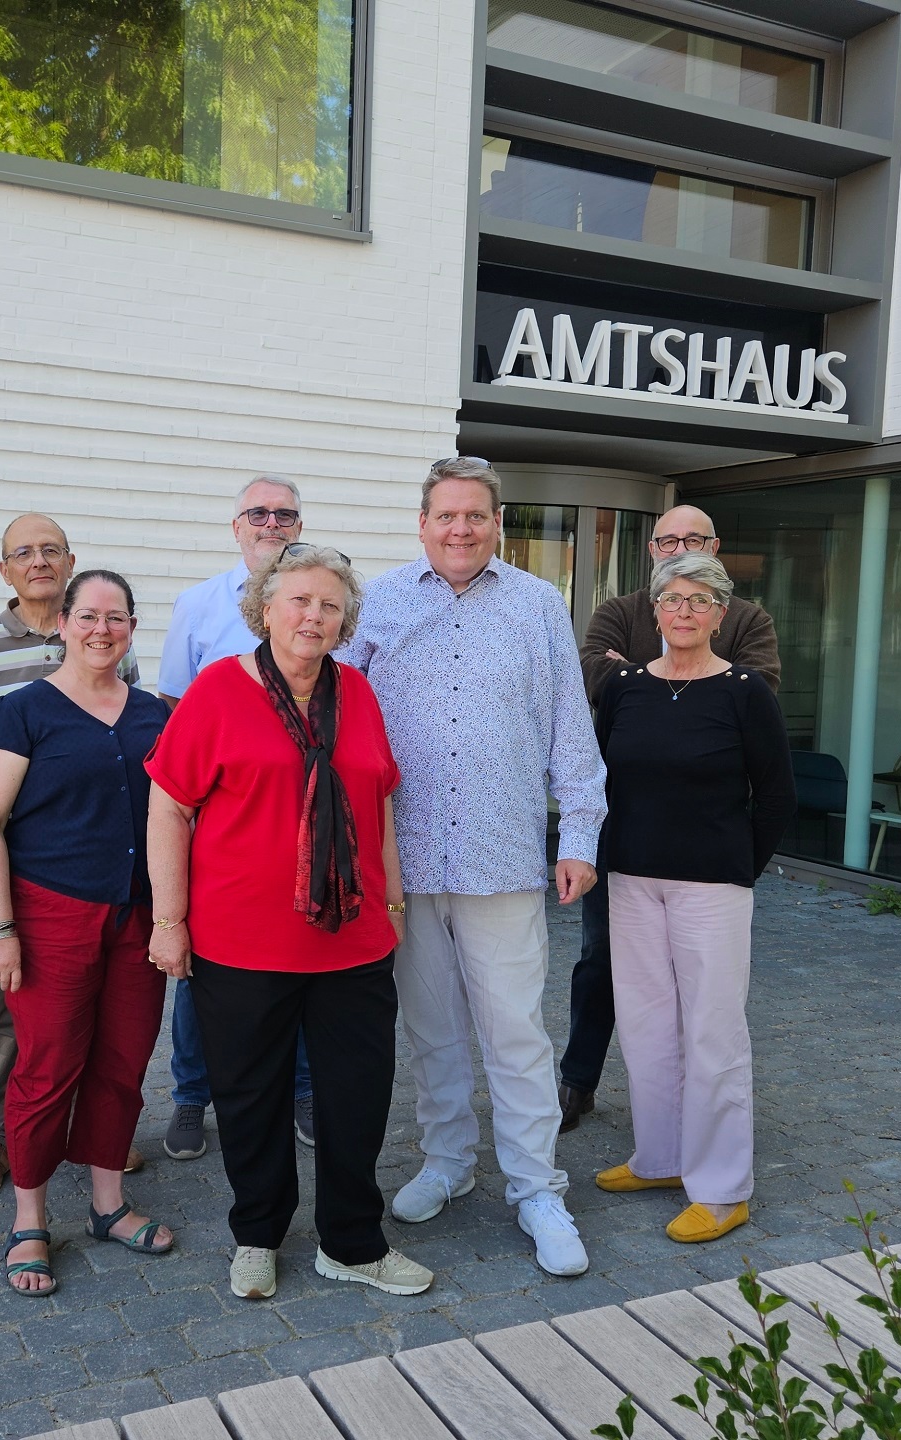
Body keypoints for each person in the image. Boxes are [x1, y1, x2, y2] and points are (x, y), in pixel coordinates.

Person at [340, 457, 605, 1279]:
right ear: (423, 523)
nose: (461, 529)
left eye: (476, 516)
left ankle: (537, 1190)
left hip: (502, 857)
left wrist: (579, 836)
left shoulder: (538, 604)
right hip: (405, 860)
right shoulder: (376, 602)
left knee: (516, 1033)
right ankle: (448, 1161)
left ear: (497, 524)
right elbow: (337, 717)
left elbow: (570, 726)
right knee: (432, 1029)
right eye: (446, 515)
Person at [146, 543, 432, 1302]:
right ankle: (258, 1234)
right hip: (242, 942)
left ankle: (353, 1243)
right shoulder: (217, 689)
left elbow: (379, 802)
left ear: (345, 622)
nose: (314, 615)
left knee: (357, 1097)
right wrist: (168, 919)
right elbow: (169, 806)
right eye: (299, 600)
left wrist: (394, 905)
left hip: (353, 941)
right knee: (250, 1098)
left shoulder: (357, 692)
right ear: (265, 610)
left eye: (330, 605)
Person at [0, 569, 174, 1296]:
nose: (101, 630)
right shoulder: (20, 713)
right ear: (62, 623)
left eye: (116, 618)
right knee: (47, 1068)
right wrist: (0, 928)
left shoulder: (155, 716)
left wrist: (175, 918)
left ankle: (108, 1204)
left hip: (137, 918)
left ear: (132, 629)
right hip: (51, 914)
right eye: (87, 616)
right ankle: (30, 1219)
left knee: (123, 1062)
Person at [591, 553, 794, 1244]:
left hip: (712, 888)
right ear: (654, 610)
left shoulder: (744, 691)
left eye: (699, 600)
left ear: (720, 614)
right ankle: (662, 1159)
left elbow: (776, 797)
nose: (684, 610)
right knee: (646, 1026)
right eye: (672, 598)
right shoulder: (624, 688)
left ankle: (723, 1189)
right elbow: (598, 780)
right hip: (632, 881)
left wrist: (736, 867)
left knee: (713, 1032)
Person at [559, 504, 781, 1134]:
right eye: (667, 540)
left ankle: (705, 1132)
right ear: (651, 550)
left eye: (693, 540)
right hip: (628, 844)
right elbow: (595, 675)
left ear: (716, 547)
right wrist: (642, 677)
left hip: (708, 850)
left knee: (704, 998)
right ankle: (580, 1081)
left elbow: (755, 689)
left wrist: (742, 860)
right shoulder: (620, 611)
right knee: (604, 965)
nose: (679, 549)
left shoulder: (747, 618)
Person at [0, 513, 143, 1201]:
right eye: (23, 552)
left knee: (108, 1033)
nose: (38, 561)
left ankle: (97, 1148)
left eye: (50, 549)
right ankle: (2, 1142)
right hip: (28, 880)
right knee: (18, 1022)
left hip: (113, 890)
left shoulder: (124, 669)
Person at [155, 476, 314, 1162]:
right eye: (258, 512)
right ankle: (193, 1094)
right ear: (237, 525)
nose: (271, 523)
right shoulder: (198, 604)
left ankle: (302, 1088)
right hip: (222, 821)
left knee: (304, 956)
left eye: (284, 514)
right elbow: (172, 709)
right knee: (206, 965)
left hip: (306, 817)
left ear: (299, 525)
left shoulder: (319, 599)